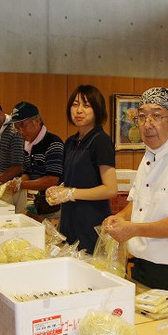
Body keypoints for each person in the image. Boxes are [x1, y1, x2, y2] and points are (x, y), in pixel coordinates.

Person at [102, 87, 168, 305]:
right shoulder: (149, 157)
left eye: (157, 115)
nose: (147, 123)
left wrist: (133, 229)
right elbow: (138, 202)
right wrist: (122, 217)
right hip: (141, 266)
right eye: (142, 116)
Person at [46, 85, 117, 253]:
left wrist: (71, 193)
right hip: (69, 219)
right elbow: (72, 179)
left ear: (97, 110)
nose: (79, 110)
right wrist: (58, 190)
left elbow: (111, 189)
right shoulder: (71, 141)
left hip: (91, 222)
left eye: (86, 105)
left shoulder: (101, 141)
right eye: (75, 104)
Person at [7, 101, 64, 219]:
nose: (21, 132)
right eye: (17, 128)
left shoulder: (53, 143)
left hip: (57, 207)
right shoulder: (28, 145)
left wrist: (21, 184)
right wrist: (18, 181)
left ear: (37, 121)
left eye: (23, 125)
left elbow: (52, 179)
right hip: (41, 205)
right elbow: (27, 172)